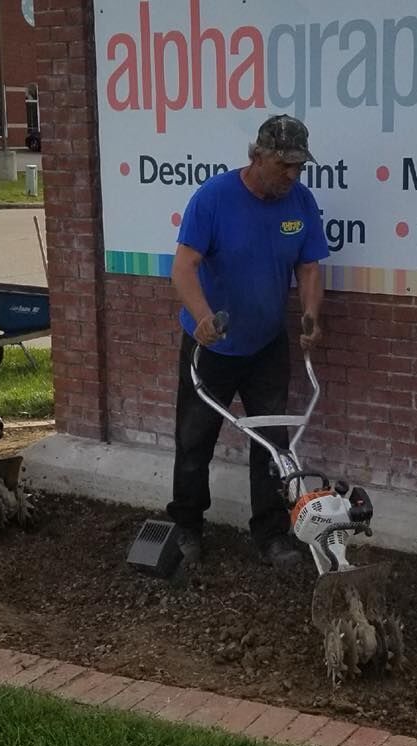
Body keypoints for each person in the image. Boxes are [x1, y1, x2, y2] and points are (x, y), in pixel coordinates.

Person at [167, 114, 330, 568]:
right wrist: (202, 318)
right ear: (257, 156)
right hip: (212, 348)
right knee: (195, 440)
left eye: (299, 166)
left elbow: (311, 266)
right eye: (284, 166)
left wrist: (312, 314)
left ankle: (272, 534)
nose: (292, 176)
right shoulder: (214, 199)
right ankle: (186, 527)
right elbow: (184, 267)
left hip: (267, 345)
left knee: (273, 443)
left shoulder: (300, 202)